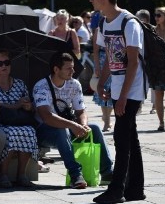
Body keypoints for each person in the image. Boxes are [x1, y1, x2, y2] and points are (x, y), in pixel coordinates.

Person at [92, 0, 146, 204]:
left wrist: (123, 96)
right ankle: (135, 189)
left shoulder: (129, 23)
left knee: (121, 137)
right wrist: (102, 83)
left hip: (131, 89)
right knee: (130, 137)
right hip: (116, 87)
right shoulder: (104, 23)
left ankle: (117, 190)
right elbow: (109, 59)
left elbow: (133, 63)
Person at [34, 51, 113, 190]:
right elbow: (47, 116)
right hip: (44, 131)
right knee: (61, 130)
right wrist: (73, 125)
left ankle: (107, 172)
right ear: (56, 69)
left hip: (68, 126)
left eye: (73, 67)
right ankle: (75, 174)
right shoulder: (41, 86)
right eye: (68, 68)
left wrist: (82, 125)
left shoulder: (74, 84)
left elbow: (81, 111)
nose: (73, 70)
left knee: (94, 128)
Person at [0, 50, 38, 188]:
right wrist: (16, 105)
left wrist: (28, 106)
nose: (3, 66)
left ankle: (22, 174)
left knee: (29, 131)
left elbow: (31, 105)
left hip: (19, 121)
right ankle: (3, 174)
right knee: (9, 133)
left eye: (6, 63)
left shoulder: (20, 83)